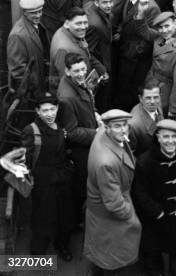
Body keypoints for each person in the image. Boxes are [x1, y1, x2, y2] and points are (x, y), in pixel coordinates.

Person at [133, 119, 176, 276]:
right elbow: (140, 192)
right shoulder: (145, 161)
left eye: (175, 136)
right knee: (154, 258)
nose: (171, 141)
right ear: (158, 137)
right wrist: (157, 212)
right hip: (157, 220)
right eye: (166, 137)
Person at [83, 109, 141, 274]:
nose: (123, 130)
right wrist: (131, 218)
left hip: (98, 212)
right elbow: (114, 204)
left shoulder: (103, 134)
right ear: (108, 128)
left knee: (101, 252)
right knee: (111, 259)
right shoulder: (106, 162)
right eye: (117, 126)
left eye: (125, 125)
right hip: (107, 217)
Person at [22, 93, 75, 260]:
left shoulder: (58, 127)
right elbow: (24, 161)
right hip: (43, 185)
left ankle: (62, 245)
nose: (50, 114)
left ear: (58, 108)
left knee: (64, 217)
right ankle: (38, 251)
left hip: (62, 180)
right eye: (45, 110)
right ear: (37, 111)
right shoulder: (31, 131)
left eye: (53, 109)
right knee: (43, 219)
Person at [57, 53, 100, 225]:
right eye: (77, 71)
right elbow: (72, 132)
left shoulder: (75, 83)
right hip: (79, 150)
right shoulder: (67, 97)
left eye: (83, 69)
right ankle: (75, 222)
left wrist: (95, 114)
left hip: (88, 135)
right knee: (79, 188)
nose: (82, 74)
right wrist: (97, 133)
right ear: (67, 71)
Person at [146, 11, 176, 118]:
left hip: (164, 94)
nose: (164, 30)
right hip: (151, 84)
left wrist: (174, 110)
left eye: (167, 26)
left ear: (175, 24)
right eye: (160, 27)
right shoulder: (161, 38)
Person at [7, 0, 48, 98]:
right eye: (33, 13)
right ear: (24, 12)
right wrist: (33, 89)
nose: (38, 15)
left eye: (40, 11)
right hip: (30, 93)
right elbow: (17, 71)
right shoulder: (17, 35)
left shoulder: (37, 24)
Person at [129, 80, 163, 155]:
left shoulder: (158, 106)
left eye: (156, 97)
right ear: (140, 98)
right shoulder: (133, 125)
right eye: (148, 98)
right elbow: (130, 154)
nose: (153, 102)